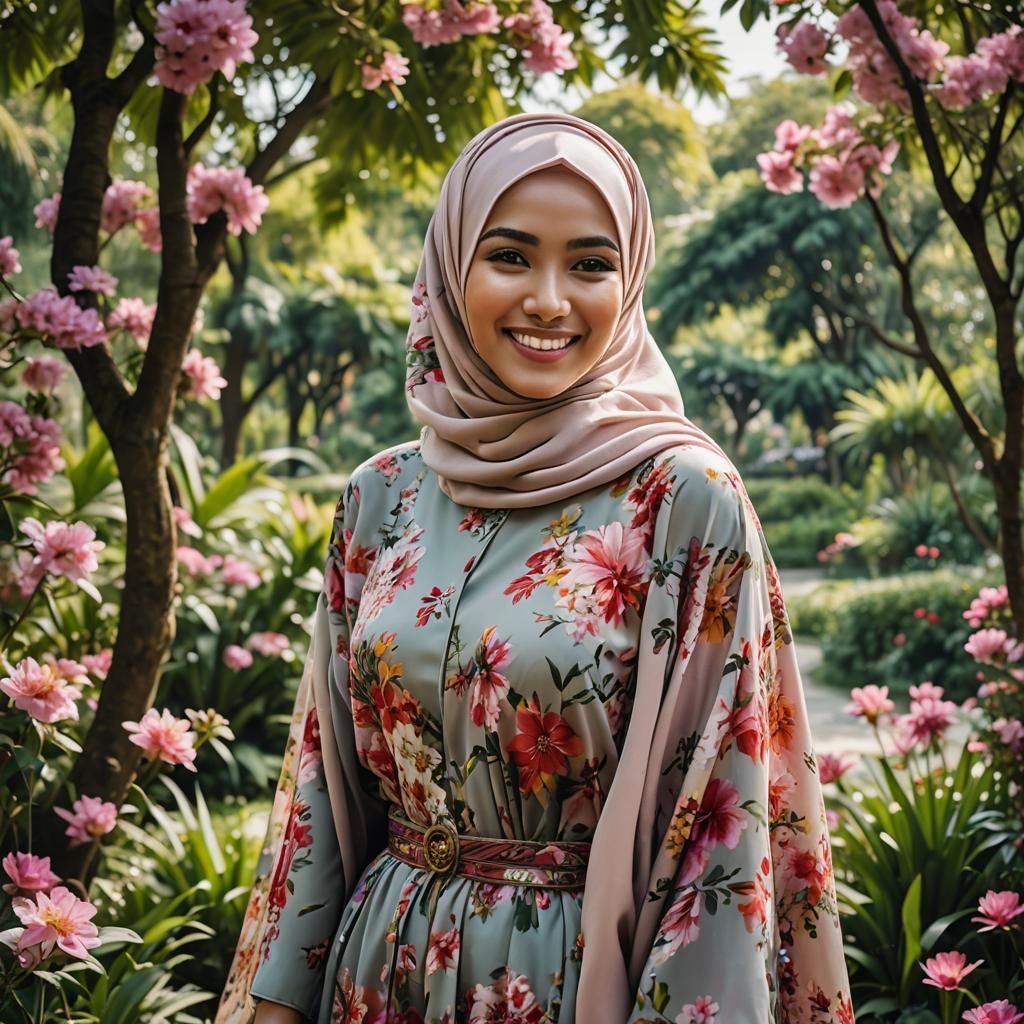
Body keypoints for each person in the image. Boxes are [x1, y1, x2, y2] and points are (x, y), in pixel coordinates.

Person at [215, 112, 853, 1024]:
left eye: (590, 264)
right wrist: (276, 1003)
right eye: (510, 256)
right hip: (376, 972)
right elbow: (324, 781)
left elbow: (727, 823)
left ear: (628, 281)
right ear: (449, 270)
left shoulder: (682, 498)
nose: (550, 299)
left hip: (566, 983)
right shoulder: (382, 495)